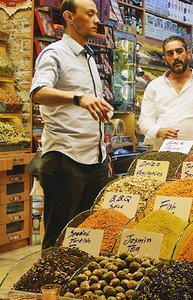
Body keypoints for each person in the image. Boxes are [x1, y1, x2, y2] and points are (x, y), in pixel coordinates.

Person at [30, 0, 113, 249]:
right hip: (65, 159)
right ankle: (48, 288)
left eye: (96, 14)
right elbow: (38, 92)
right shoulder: (54, 53)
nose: (97, 20)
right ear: (69, 16)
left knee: (86, 236)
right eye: (89, 14)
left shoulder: (88, 57)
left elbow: (88, 108)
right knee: (58, 238)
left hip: (94, 160)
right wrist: (78, 98)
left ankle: (76, 287)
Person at [138, 36, 193, 150]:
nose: (176, 57)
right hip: (163, 152)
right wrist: (158, 131)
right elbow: (145, 120)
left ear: (188, 54)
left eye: (179, 51)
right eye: (170, 54)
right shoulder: (154, 87)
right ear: (164, 60)